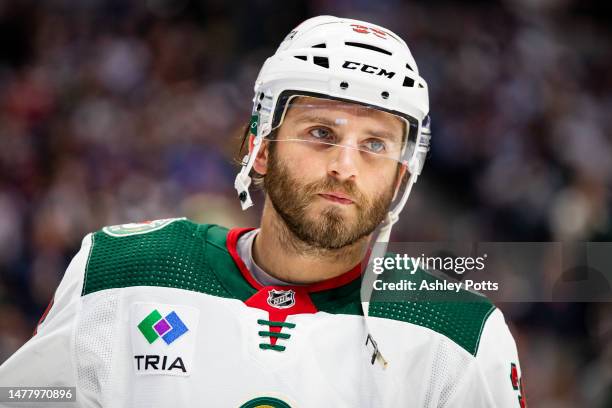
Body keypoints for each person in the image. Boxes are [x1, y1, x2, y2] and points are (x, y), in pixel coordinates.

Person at [0, 16, 525, 407]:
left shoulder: (460, 336)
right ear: (262, 144)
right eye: (322, 133)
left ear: (402, 175)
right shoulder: (125, 271)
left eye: (376, 145)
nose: (345, 166)